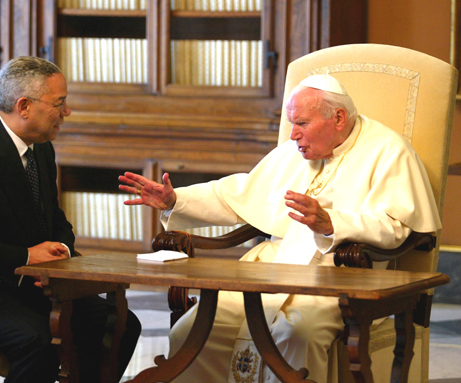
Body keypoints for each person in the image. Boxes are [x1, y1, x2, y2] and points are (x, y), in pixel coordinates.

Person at [118, 74, 441, 383]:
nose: (292, 135)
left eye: (301, 123)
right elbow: (237, 195)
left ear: (338, 118)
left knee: (297, 333)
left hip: (341, 276)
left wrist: (332, 223)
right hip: (271, 266)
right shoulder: (294, 152)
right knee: (188, 329)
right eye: (292, 123)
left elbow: (397, 226)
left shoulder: (388, 151)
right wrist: (176, 199)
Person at [0, 56, 141, 383]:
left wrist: (59, 251)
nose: (67, 112)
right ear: (24, 106)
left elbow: (55, 220)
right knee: (36, 340)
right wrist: (26, 257)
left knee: (118, 323)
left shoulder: (40, 149)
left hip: (28, 285)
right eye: (59, 103)